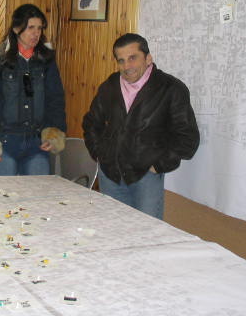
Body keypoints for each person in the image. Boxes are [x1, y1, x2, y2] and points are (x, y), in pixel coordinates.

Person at [82, 33, 200, 219]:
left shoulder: (171, 88)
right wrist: (99, 154)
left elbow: (187, 138)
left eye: (132, 58)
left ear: (148, 58)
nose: (126, 66)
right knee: (111, 229)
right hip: (110, 174)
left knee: (147, 231)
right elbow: (91, 123)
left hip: (146, 176)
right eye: (121, 61)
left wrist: (158, 165)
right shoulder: (110, 86)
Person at [0, 3, 67, 176]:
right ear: (17, 28)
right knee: (4, 192)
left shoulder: (46, 60)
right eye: (31, 27)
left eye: (39, 28)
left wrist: (54, 132)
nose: (36, 33)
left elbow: (56, 99)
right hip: (4, 142)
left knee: (38, 193)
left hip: (37, 143)